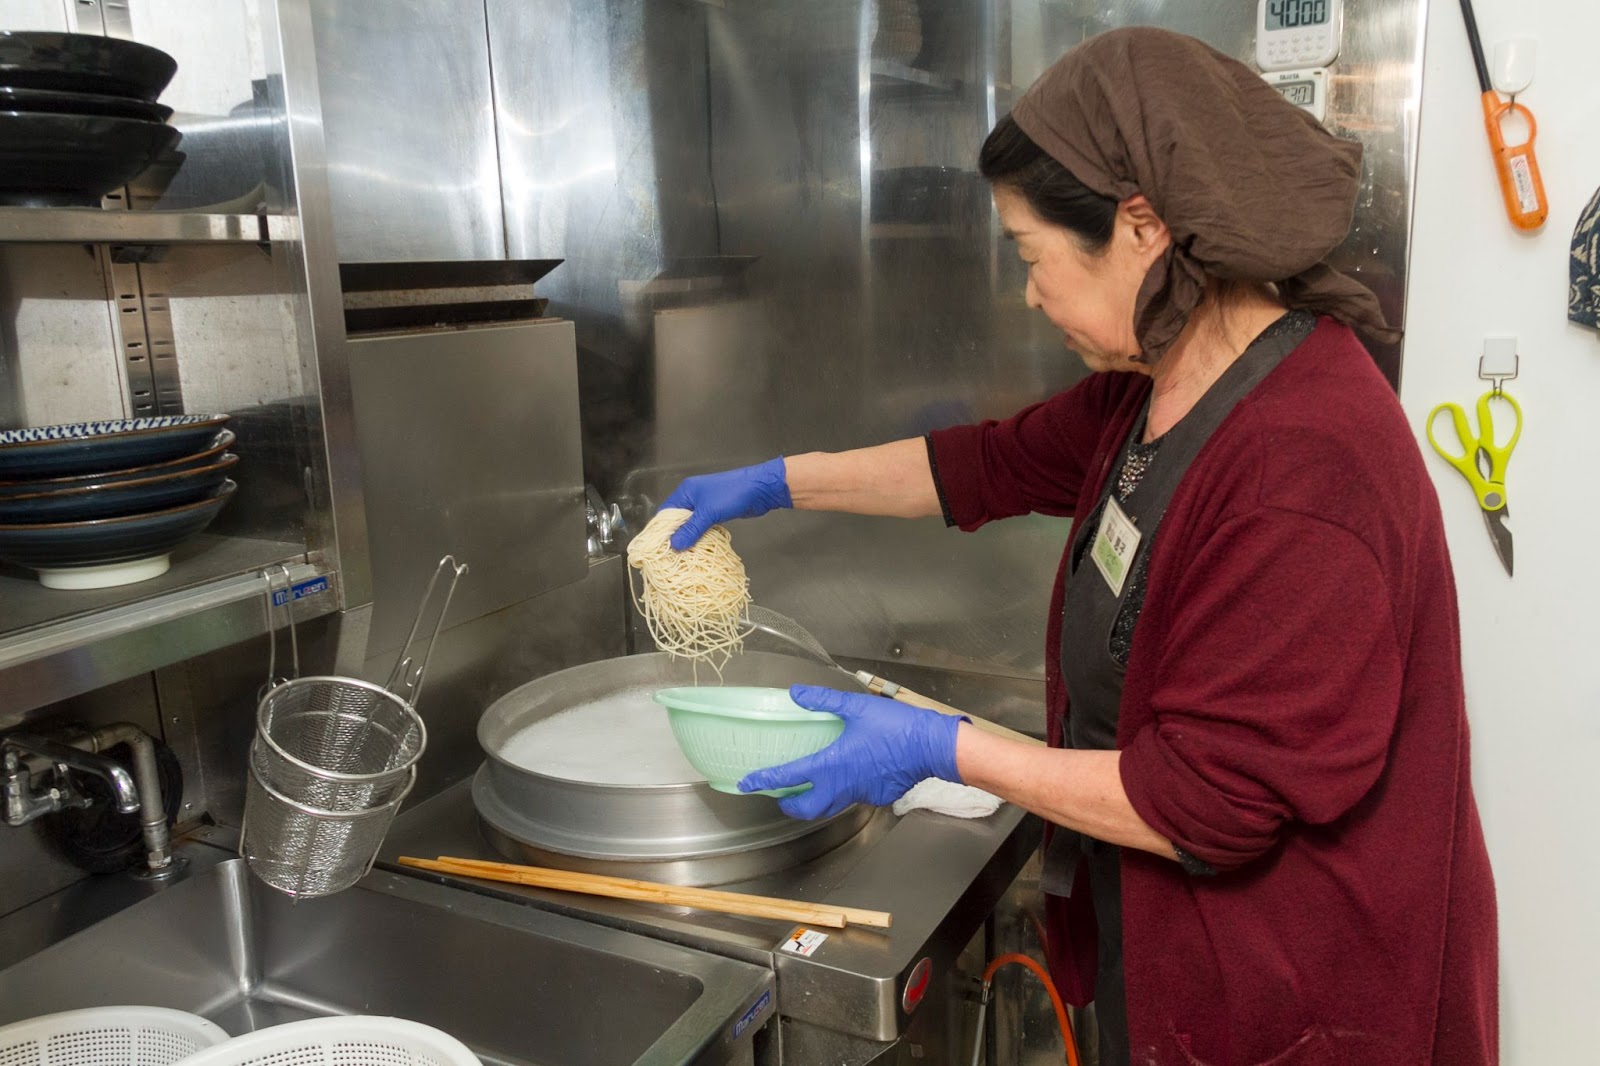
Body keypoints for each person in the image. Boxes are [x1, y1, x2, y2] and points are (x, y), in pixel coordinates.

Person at [659, 27, 1497, 1066]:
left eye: (1030, 255)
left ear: (1141, 227)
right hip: (1174, 950)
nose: (1028, 293)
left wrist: (936, 746)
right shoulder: (1158, 383)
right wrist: (780, 482)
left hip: (1295, 998)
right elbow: (984, 466)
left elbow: (1209, 802)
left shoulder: (1306, 462)